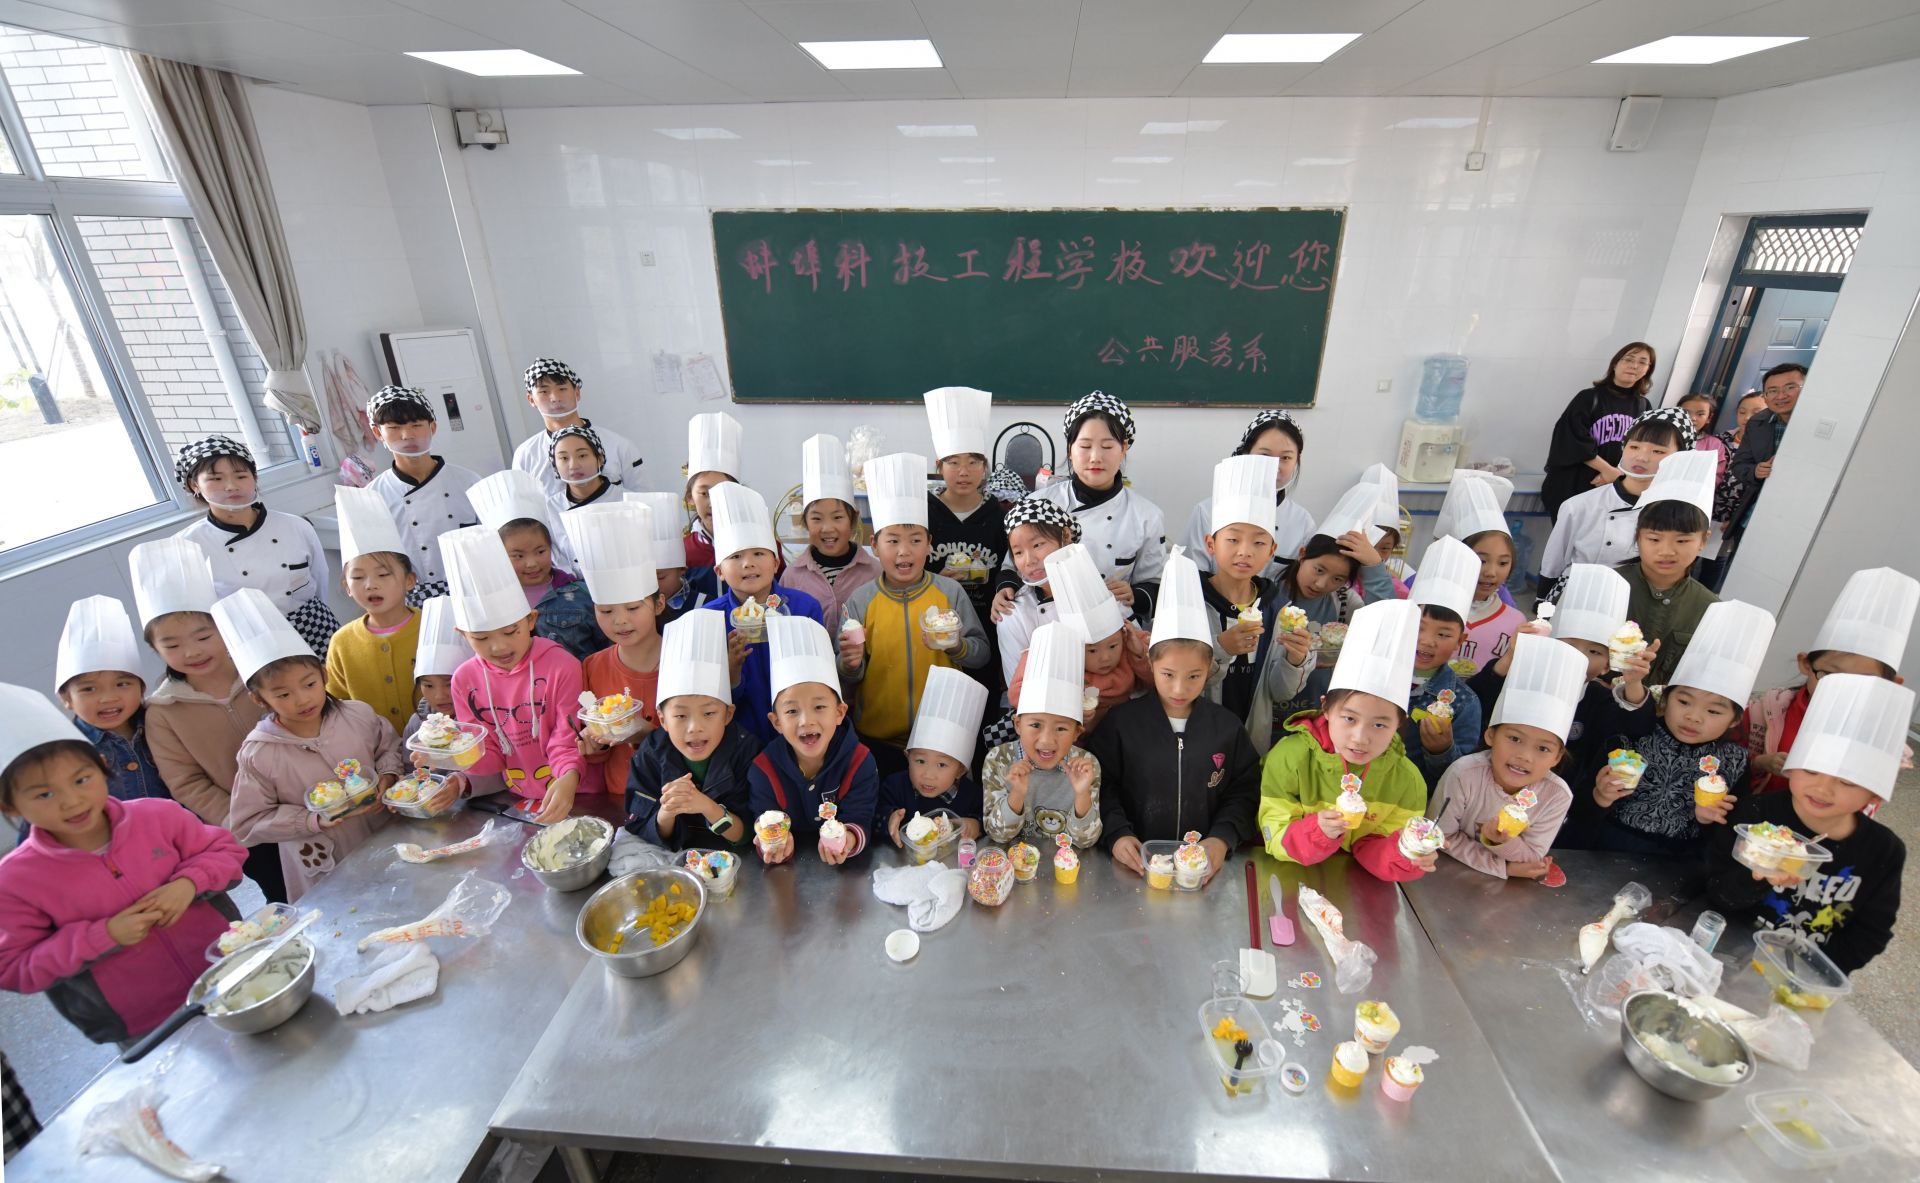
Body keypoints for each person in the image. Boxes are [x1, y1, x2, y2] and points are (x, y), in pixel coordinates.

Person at [0, 685, 247, 1045]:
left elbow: (227, 851)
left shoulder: (157, 816)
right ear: (9, 806)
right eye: (44, 794)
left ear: (102, 767)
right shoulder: (16, 881)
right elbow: (14, 968)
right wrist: (103, 936)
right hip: (146, 1024)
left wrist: (189, 883)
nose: (71, 802)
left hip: (232, 969)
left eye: (81, 780)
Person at [1705, 674, 1910, 974]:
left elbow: (1871, 932)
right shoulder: (1755, 814)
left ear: (1874, 793)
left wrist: (1814, 972)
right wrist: (1757, 875)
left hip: (1806, 973)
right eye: (1811, 770)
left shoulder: (1883, 850)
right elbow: (1717, 892)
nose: (1822, 789)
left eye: (1847, 781)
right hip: (1727, 958)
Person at [219, 590, 404, 902]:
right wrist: (310, 819)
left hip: (384, 834)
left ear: (324, 675)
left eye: (309, 684)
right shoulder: (260, 753)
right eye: (283, 694)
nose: (302, 699)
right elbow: (247, 823)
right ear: (259, 699)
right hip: (325, 862)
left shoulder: (357, 715)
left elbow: (389, 747)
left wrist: (388, 776)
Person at [131, 538, 287, 905]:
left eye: (203, 636)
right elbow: (186, 782)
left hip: (312, 802)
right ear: (155, 649)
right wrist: (240, 820)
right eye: (172, 645)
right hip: (251, 833)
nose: (191, 651)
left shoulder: (262, 673)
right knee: (287, 897)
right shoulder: (163, 711)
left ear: (224, 629)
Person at [1090, 551, 1259, 884]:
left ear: (1209, 669)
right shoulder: (1122, 725)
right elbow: (1101, 786)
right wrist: (1117, 834)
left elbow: (1245, 790)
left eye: (1194, 676)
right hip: (1133, 869)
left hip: (1202, 872)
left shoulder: (1226, 728)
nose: (1180, 688)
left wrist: (1222, 838)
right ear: (1150, 665)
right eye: (1168, 674)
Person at [1257, 599, 1433, 880]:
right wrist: (1318, 832)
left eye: (1379, 724)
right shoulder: (1290, 759)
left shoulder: (1407, 782)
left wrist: (1404, 853)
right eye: (1349, 718)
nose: (1360, 738)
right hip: (1288, 875)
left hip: (1355, 886)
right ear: (1326, 708)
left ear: (1399, 723)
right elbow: (1273, 833)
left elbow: (1374, 845)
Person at [1580, 600, 1772, 855]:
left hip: (1679, 864)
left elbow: (1731, 837)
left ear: (1735, 720)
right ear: (1665, 699)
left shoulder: (1735, 761)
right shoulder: (1631, 736)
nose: (1694, 717)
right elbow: (1580, 806)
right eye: (1684, 701)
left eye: (1713, 711)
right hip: (1604, 852)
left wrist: (1707, 821)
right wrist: (1599, 797)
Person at [437, 525, 596, 823]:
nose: (499, 647)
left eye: (511, 632)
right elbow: (490, 757)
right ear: (462, 634)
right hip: (520, 796)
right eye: (481, 638)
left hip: (580, 790)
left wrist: (568, 777)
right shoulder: (464, 681)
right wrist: (449, 755)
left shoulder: (561, 665)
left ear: (531, 620)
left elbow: (567, 737)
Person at [841, 454, 990, 765]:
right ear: (874, 545)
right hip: (876, 738)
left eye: (915, 540)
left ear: (929, 544)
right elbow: (846, 672)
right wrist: (850, 663)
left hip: (942, 737)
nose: (904, 551)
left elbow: (981, 654)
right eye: (893, 541)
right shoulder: (861, 600)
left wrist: (957, 646)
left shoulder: (949, 592)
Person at [993, 391, 1167, 623]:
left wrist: (1136, 595)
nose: (1095, 457)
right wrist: (1005, 589)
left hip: (1115, 627)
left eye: (1107, 446)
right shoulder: (1038, 503)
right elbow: (1013, 566)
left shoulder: (1147, 515)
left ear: (1124, 448)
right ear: (1070, 449)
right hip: (1046, 623)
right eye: (1085, 446)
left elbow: (1155, 584)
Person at [1745, 567, 1914, 793]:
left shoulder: (1880, 741)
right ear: (1806, 664)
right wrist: (1760, 763)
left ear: (1890, 686)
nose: (1842, 690)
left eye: (1862, 682)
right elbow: (1722, 763)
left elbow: (1868, 801)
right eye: (1832, 676)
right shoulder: (1765, 712)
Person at [1433, 634, 1585, 880]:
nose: (1525, 756)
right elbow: (1440, 834)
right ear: (1491, 735)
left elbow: (1533, 856)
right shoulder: (1464, 774)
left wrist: (1501, 842)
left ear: (1557, 757)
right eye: (1514, 738)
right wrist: (1503, 867)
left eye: (1543, 749)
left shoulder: (1556, 796)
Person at [170, 435, 338, 657]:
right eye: (216, 479)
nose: (231, 486)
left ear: (255, 478)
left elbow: (320, 579)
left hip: (316, 629)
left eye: (241, 476)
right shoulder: (187, 545)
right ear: (194, 485)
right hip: (251, 641)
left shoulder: (295, 526)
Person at [1196, 456, 1312, 752]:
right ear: (1211, 544)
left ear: (1272, 550)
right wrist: (1221, 648)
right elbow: (1175, 679)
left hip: (1252, 741)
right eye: (1233, 540)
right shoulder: (1192, 602)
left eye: (1259, 543)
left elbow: (1280, 693)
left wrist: (1295, 660)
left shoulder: (1278, 609)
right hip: (1197, 738)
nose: (1245, 552)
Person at [748, 617, 878, 866]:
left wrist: (848, 839)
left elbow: (861, 817)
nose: (806, 721)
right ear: (776, 722)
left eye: (819, 707)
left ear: (839, 712)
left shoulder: (860, 761)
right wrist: (772, 843)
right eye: (791, 711)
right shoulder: (763, 769)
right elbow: (763, 818)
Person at [702, 482, 825, 746]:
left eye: (759, 553)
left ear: (776, 562)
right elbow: (706, 703)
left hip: (800, 737)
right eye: (736, 556)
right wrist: (731, 669)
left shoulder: (804, 609)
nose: (748, 563)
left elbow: (820, 682)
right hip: (737, 743)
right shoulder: (709, 619)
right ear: (719, 571)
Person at [624, 612, 755, 852]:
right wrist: (667, 811)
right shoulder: (651, 754)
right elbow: (642, 825)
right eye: (681, 716)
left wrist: (706, 806)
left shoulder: (746, 750)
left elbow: (747, 833)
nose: (695, 727)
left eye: (709, 713)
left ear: (728, 714)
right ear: (662, 719)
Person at [565, 502, 665, 802]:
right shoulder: (592, 667)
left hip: (674, 797)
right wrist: (593, 746)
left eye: (633, 608)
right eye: (606, 611)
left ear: (658, 604)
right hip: (619, 795)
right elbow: (594, 743)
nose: (620, 621)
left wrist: (645, 733)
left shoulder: (680, 661)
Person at [1002, 543, 1148, 737]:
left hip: (1124, 727)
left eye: (1113, 646)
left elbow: (1155, 680)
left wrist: (1139, 653)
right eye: (1092, 650)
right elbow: (1016, 695)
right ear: (1072, 647)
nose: (1105, 657)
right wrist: (1069, 705)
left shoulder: (1131, 642)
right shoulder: (1053, 652)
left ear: (1123, 634)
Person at [1539, 407, 1694, 585]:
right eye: (1634, 447)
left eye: (1658, 451)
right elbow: (1552, 565)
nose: (1642, 457)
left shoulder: (1680, 514)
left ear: (1680, 457)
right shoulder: (1580, 505)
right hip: (1574, 592)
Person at [982, 622, 1102, 849]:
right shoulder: (999, 760)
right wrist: (1017, 793)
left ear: (1077, 732)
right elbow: (997, 835)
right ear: (1018, 724)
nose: (1046, 740)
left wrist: (1082, 794)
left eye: (1061, 728)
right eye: (1035, 725)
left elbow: (1085, 841)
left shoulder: (1086, 765)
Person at [468, 469, 607, 661]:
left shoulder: (582, 594)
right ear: (498, 555)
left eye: (540, 551)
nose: (532, 563)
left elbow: (606, 649)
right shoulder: (490, 602)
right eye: (518, 555)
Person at [364, 385, 481, 603]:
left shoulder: (469, 482)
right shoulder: (372, 497)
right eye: (395, 427)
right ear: (378, 433)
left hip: (472, 590)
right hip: (410, 599)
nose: (407, 435)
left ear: (432, 427)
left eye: (416, 425)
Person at [53, 597, 169, 808]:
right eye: (89, 689)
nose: (108, 698)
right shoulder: (62, 752)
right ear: (67, 698)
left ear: (141, 689)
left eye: (122, 684)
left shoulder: (165, 723)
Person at [1616, 451, 1720, 687]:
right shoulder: (1608, 585)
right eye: (1654, 539)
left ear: (1703, 540)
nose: (1667, 551)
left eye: (1682, 541)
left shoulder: (1711, 609)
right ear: (1638, 537)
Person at [324, 485, 421, 733]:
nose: (370, 585)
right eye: (358, 577)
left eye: (383, 574)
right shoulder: (342, 642)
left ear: (410, 580)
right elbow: (338, 704)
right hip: (372, 747)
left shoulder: (429, 627)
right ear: (347, 587)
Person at [923, 388, 1008, 661]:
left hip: (988, 626)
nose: (963, 471)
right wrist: (936, 581)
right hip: (931, 627)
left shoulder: (999, 517)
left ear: (984, 466)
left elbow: (1008, 570)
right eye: (953, 462)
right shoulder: (924, 515)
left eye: (973, 462)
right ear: (939, 465)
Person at [1182, 410, 1313, 579]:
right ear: (1245, 454)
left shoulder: (1303, 522)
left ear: (1297, 460)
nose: (1275, 467)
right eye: (1264, 455)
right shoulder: (1207, 512)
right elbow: (1189, 577)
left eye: (1286, 458)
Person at [1401, 537, 1484, 788]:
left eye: (1444, 634)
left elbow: (1461, 776)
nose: (1427, 641)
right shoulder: (1374, 674)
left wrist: (1441, 750)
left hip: (1415, 799)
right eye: (1418, 627)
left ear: (1461, 640)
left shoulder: (1464, 702)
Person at [1541, 341, 1655, 520]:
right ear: (1615, 364)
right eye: (1628, 359)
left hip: (1612, 489)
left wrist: (1617, 475)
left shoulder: (1643, 406)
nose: (1634, 366)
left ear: (1648, 369)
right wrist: (1608, 470)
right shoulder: (1589, 398)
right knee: (1567, 535)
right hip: (1573, 485)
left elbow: (1643, 448)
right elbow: (1571, 438)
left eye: (1642, 362)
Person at [876, 667, 988, 847]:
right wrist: (889, 818)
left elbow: (987, 820)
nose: (928, 774)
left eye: (942, 764)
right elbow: (874, 816)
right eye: (920, 761)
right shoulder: (894, 787)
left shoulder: (972, 796)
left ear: (960, 770)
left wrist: (975, 825)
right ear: (907, 756)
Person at [1429, 470, 1524, 675]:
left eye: (1503, 562)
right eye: (1481, 561)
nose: (1491, 572)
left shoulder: (1514, 622)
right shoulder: (1426, 606)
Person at [781, 434, 881, 631]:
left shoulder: (875, 571)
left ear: (853, 520)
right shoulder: (792, 576)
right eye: (817, 519)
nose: (827, 528)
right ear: (805, 522)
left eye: (837, 517)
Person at [511, 357, 644, 500]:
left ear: (577, 393)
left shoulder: (619, 446)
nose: (555, 398)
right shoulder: (526, 455)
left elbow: (645, 501)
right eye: (544, 391)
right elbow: (523, 506)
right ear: (531, 399)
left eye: (562, 389)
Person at [989, 497, 1077, 688]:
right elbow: (1018, 688)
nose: (1029, 560)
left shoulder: (1103, 594)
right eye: (1018, 552)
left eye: (1037, 545)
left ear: (1066, 536)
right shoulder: (1013, 614)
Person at [1724, 362, 1807, 539]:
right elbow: (1739, 465)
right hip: (1755, 512)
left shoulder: (1821, 426)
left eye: (1790, 387)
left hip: (1798, 513)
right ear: (1766, 396)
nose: (1781, 396)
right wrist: (1755, 471)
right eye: (1773, 390)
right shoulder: (1757, 423)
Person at [682, 411, 743, 607]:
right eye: (704, 493)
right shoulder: (683, 551)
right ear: (690, 497)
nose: (713, 503)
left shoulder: (761, 545)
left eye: (722, 492)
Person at [405, 595, 465, 742]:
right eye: (429, 685)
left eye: (449, 684)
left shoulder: (486, 719)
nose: (439, 696)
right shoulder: (417, 725)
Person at [547, 423, 621, 517]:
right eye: (564, 458)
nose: (573, 466)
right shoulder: (551, 508)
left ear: (600, 459)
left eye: (582, 456)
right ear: (554, 465)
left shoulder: (626, 500)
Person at [1678, 393, 1730, 482]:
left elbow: (1715, 477)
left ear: (1709, 418)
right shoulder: (1664, 436)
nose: (1692, 418)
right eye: (1686, 412)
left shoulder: (1715, 445)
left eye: (1700, 414)